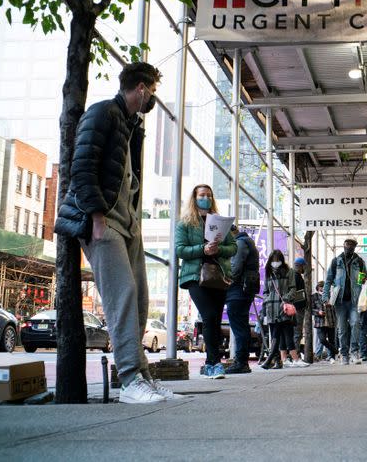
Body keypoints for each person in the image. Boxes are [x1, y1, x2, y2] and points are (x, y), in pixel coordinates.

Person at [58, 62, 173, 403]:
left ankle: (144, 378)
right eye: (152, 90)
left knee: (139, 302)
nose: (152, 98)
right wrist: (95, 217)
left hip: (127, 225)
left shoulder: (130, 125)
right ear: (141, 88)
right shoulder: (102, 113)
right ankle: (128, 380)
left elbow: (128, 179)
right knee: (121, 298)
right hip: (103, 222)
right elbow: (81, 168)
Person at [175, 184, 237, 380]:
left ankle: (211, 363)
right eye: (202, 195)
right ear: (194, 198)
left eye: (209, 195)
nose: (206, 198)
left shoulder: (219, 222)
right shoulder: (185, 223)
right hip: (195, 276)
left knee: (215, 319)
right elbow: (180, 250)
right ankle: (214, 362)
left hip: (218, 276)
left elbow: (233, 248)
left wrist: (218, 249)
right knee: (209, 315)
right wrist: (203, 249)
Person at [260, 250, 310, 369]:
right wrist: (267, 301)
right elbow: (265, 291)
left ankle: (280, 359)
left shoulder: (289, 272)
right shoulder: (268, 273)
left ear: (282, 261)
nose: (275, 263)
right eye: (273, 261)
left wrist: (285, 299)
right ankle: (284, 360)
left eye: (277, 261)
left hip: (284, 307)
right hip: (271, 308)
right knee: (277, 334)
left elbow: (293, 289)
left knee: (287, 333)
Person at [323, 238, 367, 365]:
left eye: (351, 245)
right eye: (347, 245)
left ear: (355, 247)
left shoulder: (359, 262)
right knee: (342, 329)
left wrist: (363, 280)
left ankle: (354, 351)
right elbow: (328, 280)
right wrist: (325, 296)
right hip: (340, 301)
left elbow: (365, 279)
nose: (349, 247)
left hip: (355, 300)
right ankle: (344, 354)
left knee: (355, 324)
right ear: (343, 246)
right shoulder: (336, 262)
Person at [226, 224, 260, 374]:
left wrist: (225, 281)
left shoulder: (240, 243)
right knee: (242, 325)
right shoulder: (247, 242)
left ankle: (241, 362)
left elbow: (235, 267)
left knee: (238, 326)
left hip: (237, 290)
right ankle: (242, 361)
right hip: (245, 289)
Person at [312, 282, 338, 362]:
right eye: (321, 286)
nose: (322, 288)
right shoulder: (314, 296)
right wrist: (318, 312)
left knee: (332, 340)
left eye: (324, 286)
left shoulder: (331, 295)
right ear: (317, 287)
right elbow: (311, 309)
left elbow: (336, 308)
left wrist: (331, 305)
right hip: (320, 322)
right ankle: (335, 351)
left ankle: (332, 357)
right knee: (322, 340)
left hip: (331, 321)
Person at [292, 257, 309, 354]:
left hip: (295, 308)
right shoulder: (296, 276)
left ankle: (293, 355)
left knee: (295, 333)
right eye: (303, 267)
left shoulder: (293, 275)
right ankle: (295, 355)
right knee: (297, 333)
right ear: (300, 266)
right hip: (297, 308)